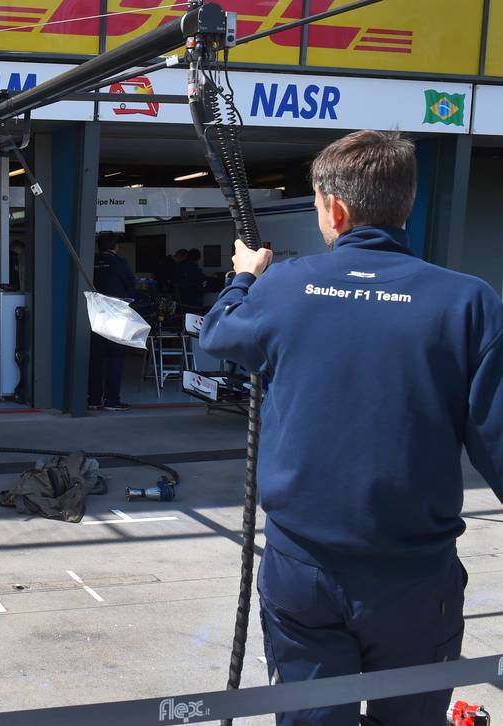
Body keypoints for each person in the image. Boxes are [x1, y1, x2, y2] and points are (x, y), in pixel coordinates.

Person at [199, 130, 501, 726]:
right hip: (415, 577)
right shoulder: (469, 302)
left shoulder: (283, 287)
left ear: (334, 209)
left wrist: (244, 277)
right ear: (404, 204)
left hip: (302, 572)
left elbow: (217, 334)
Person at [88, 234, 135, 412]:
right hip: (115, 315)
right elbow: (131, 286)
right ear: (116, 247)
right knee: (116, 357)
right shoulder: (120, 263)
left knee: (95, 358)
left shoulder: (90, 262)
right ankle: (111, 400)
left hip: (94, 314)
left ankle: (93, 399)